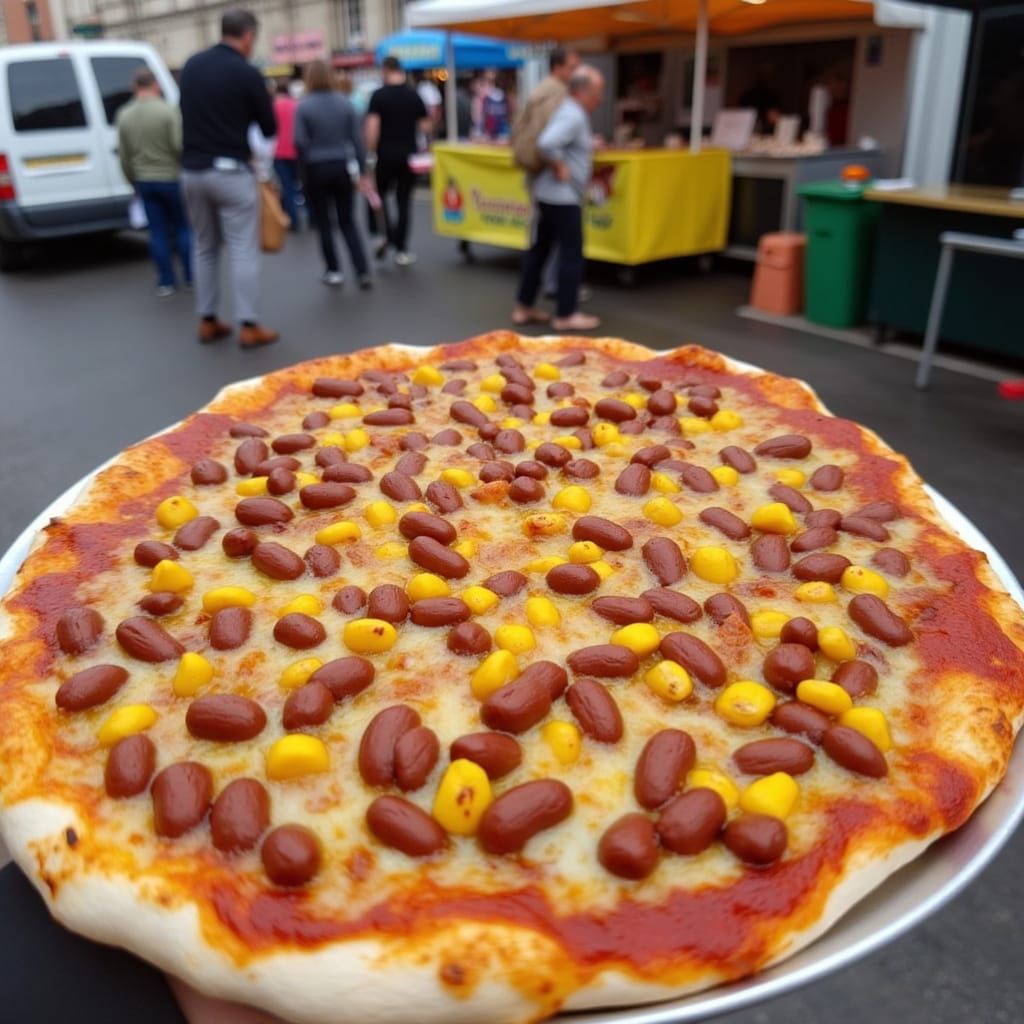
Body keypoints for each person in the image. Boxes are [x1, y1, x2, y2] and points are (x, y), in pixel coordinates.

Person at [179, 8, 278, 348]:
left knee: (204, 246)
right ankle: (248, 325)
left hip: (191, 170)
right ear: (248, 35)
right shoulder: (246, 72)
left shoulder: (191, 66)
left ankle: (207, 320)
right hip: (230, 171)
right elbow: (268, 127)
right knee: (242, 249)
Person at [513, 66, 604, 332]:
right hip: (562, 196)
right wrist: (560, 165)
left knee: (540, 249)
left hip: (548, 194)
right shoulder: (573, 115)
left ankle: (524, 305)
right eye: (598, 93)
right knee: (571, 253)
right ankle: (566, 313)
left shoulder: (567, 110)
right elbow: (547, 143)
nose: (599, 99)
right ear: (583, 91)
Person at [295, 59, 372, 290]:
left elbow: (299, 141)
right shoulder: (344, 103)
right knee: (347, 220)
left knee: (324, 222)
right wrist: (363, 169)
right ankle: (361, 270)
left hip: (315, 167)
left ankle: (333, 270)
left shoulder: (304, 106)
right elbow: (357, 141)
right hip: (341, 165)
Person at [510, 47, 580, 300]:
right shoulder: (556, 94)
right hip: (546, 174)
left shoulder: (540, 90)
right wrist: (560, 164)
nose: (575, 73)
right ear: (559, 67)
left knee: (542, 238)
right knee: (550, 240)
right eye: (572, 67)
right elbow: (550, 141)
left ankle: (534, 295)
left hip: (537, 170)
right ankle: (555, 288)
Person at [116, 67, 191, 297]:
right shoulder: (168, 111)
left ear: (135, 86)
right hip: (170, 177)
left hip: (144, 180)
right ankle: (190, 277)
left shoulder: (124, 115)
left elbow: (124, 155)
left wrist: (132, 180)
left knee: (157, 232)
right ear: (155, 85)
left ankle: (165, 281)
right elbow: (179, 146)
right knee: (182, 227)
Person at [365, 56, 430, 266]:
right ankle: (401, 248)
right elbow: (426, 126)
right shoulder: (413, 95)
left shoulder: (378, 96)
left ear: (385, 70)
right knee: (404, 201)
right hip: (408, 156)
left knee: (378, 197)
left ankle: (384, 234)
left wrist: (370, 151)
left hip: (385, 155)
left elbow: (373, 127)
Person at [272, 82, 300, 230]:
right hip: (297, 150)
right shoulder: (297, 104)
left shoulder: (274, 106)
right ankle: (312, 216)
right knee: (300, 185)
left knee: (287, 187)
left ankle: (293, 220)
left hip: (280, 152)